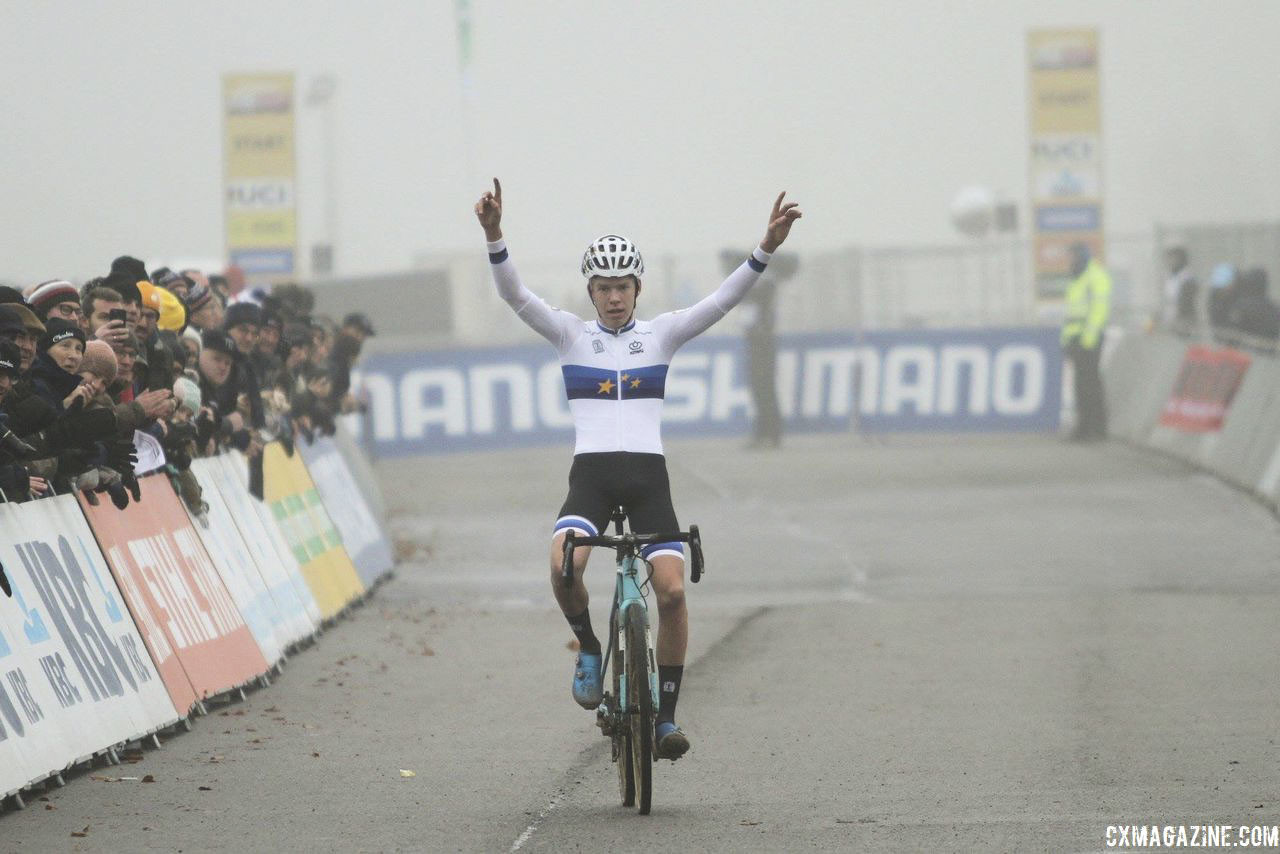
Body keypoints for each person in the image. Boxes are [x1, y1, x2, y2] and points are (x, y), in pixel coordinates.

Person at [474, 177, 801, 759]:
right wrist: (495, 234)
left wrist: (765, 248)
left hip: (650, 478)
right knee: (563, 566)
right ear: (591, 291)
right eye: (603, 288)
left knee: (672, 592)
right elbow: (516, 296)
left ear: (638, 287)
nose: (614, 297)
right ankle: (591, 647)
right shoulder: (569, 334)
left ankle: (665, 719)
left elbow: (723, 301)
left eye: (623, 286)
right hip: (592, 479)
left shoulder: (662, 335)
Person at [1061, 243, 1111, 442]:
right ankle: (1083, 426)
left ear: (1082, 256)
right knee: (1080, 384)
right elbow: (1071, 314)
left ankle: (1096, 428)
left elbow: (1099, 310)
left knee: (1091, 384)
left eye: (1072, 255)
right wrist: (1066, 340)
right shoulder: (1076, 278)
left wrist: (1088, 338)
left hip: (1089, 339)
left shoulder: (1096, 276)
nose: (1069, 259)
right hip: (1076, 338)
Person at [1159, 243, 1197, 333]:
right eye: (1169, 258)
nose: (1170, 261)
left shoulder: (1187, 277)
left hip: (1183, 322)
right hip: (1170, 321)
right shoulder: (1170, 277)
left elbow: (1186, 303)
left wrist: (1180, 320)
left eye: (1174, 258)